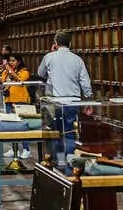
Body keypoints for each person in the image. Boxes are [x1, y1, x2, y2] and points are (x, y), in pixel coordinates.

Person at [37, 30, 93, 168]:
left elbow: (40, 73)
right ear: (70, 43)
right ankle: (70, 163)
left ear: (55, 44)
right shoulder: (77, 59)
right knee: (70, 133)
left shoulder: (49, 57)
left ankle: (58, 161)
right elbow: (85, 82)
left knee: (55, 133)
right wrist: (89, 98)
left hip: (54, 102)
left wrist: (51, 53)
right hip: (72, 102)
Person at [2, 54, 33, 166]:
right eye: (10, 61)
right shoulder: (8, 70)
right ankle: (13, 148)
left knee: (22, 125)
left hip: (20, 100)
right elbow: (3, 79)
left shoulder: (24, 71)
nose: (11, 63)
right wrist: (6, 71)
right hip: (9, 100)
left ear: (19, 61)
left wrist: (10, 70)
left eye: (13, 61)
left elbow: (20, 80)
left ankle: (26, 149)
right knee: (11, 125)